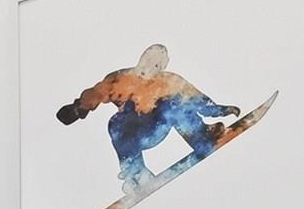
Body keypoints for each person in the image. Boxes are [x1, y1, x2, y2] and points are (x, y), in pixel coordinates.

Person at [56, 45, 243, 191]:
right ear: (140, 61)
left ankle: (200, 138)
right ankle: (136, 174)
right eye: (146, 64)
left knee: (174, 105)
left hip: (156, 127)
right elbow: (97, 92)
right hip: (132, 132)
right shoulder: (120, 79)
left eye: (155, 66)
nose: (148, 70)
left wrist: (220, 110)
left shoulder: (169, 81)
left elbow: (196, 100)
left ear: (162, 67)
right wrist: (78, 108)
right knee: (116, 124)